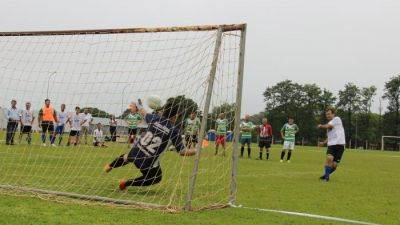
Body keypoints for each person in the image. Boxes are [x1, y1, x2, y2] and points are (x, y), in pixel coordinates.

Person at [104, 98, 196, 190]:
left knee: (126, 157)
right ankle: (126, 183)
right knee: (156, 177)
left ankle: (110, 166)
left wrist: (139, 105)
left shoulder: (155, 118)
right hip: (148, 161)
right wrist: (196, 150)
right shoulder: (174, 131)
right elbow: (182, 152)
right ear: (176, 116)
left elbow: (143, 112)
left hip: (136, 151)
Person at [317, 107, 346, 182]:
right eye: (326, 114)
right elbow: (330, 137)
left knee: (334, 166)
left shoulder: (337, 119)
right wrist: (323, 142)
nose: (327, 116)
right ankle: (327, 178)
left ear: (333, 114)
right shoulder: (329, 124)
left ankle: (325, 175)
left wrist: (321, 126)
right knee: (329, 158)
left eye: (329, 114)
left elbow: (328, 126)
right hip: (332, 145)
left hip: (340, 145)